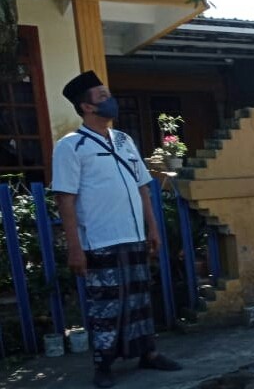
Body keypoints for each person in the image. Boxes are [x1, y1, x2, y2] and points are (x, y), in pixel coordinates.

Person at [52, 71, 181, 388]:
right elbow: (65, 199)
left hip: (134, 236)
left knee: (140, 300)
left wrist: (153, 228)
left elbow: (143, 187)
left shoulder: (124, 140)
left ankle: (148, 353)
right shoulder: (71, 146)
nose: (110, 101)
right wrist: (74, 248)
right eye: (102, 97)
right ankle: (104, 364)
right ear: (87, 107)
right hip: (100, 240)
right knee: (106, 306)